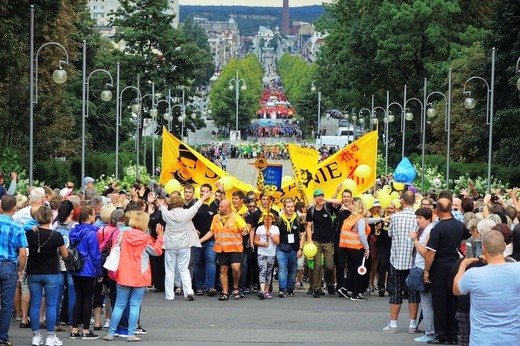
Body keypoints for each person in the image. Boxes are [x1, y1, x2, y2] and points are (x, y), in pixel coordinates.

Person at [103, 211, 164, 342]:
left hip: (124, 273)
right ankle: (131, 333)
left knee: (119, 304)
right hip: (140, 275)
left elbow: (115, 249)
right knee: (135, 305)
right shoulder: (146, 238)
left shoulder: (123, 234)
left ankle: (111, 332)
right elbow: (156, 251)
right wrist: (160, 237)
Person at [453, 230, 520, 345]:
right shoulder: (517, 269)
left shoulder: (474, 274)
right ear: (504, 246)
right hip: (512, 339)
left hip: (482, 339)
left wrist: (463, 264)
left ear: (483, 249)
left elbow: (457, 290)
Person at [424, 198, 470, 345]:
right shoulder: (459, 225)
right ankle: (453, 332)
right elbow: (466, 238)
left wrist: (426, 270)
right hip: (455, 266)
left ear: (437, 210)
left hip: (439, 267)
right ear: (451, 208)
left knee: (440, 301)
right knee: (453, 300)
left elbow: (430, 253)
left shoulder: (437, 229)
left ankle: (442, 335)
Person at [158, 189, 212, 301]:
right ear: (182, 204)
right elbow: (196, 206)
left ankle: (169, 295)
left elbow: (162, 209)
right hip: (184, 245)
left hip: (170, 245)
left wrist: (162, 205)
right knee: (184, 269)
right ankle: (188, 292)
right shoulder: (187, 213)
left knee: (170, 271)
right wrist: (203, 197)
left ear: (171, 205)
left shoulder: (167, 215)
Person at [26, 205, 68, 346]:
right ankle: (50, 336)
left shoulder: (29, 233)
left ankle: (36, 336)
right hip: (51, 272)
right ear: (50, 217)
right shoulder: (56, 235)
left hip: (33, 271)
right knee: (51, 304)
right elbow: (65, 255)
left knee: (35, 304)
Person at [383, 190, 419, 334]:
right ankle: (412, 324)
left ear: (402, 201)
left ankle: (393, 324)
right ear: (414, 201)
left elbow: (390, 234)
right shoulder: (417, 218)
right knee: (413, 293)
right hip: (413, 260)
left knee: (395, 292)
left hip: (397, 259)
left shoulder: (395, 217)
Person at [199, 199, 249, 301]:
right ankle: (225, 293)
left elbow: (245, 226)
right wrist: (200, 240)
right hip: (221, 248)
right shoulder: (216, 217)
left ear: (227, 208)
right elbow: (212, 231)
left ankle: (235, 286)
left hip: (235, 248)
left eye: (221, 206)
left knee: (236, 268)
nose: (219, 208)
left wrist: (245, 230)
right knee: (223, 269)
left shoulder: (235, 217)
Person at [69, 205, 103, 340]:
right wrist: (100, 273)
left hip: (76, 268)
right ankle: (86, 329)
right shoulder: (92, 233)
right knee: (88, 299)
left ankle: (75, 328)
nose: (95, 216)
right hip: (88, 269)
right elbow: (96, 255)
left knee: (79, 298)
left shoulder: (74, 231)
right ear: (89, 216)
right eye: (94, 214)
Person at [0, 195, 28, 346]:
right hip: (8, 265)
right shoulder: (18, 227)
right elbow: (23, 253)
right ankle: (2, 336)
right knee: (6, 303)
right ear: (14, 209)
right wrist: (20, 270)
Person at [409, 207, 435, 342]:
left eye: (420, 218)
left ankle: (430, 331)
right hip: (422, 268)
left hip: (423, 268)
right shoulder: (425, 230)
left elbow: (425, 253)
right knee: (427, 303)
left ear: (428, 219)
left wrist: (415, 240)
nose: (417, 221)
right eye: (417, 218)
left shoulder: (430, 231)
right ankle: (430, 330)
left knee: (427, 304)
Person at [306, 189, 338, 298]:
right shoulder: (311, 210)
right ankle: (316, 288)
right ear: (314, 198)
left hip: (329, 241)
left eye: (321, 196)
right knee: (317, 265)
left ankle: (330, 284)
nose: (319, 198)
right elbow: (309, 226)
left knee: (329, 266)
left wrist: (336, 191)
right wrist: (310, 239)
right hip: (317, 241)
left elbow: (338, 201)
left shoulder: (328, 207)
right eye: (317, 196)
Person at [338, 198, 370, 301]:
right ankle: (355, 294)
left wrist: (382, 219)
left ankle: (344, 287)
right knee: (360, 270)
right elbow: (361, 234)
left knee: (352, 269)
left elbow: (368, 220)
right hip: (356, 247)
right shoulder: (360, 219)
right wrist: (367, 248)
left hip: (347, 247)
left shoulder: (351, 218)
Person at [192, 184, 219, 296]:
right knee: (198, 263)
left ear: (211, 192)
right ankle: (199, 287)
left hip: (210, 239)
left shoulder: (215, 205)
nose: (204, 193)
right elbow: (188, 219)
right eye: (202, 191)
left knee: (211, 263)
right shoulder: (196, 204)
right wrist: (193, 230)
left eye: (206, 191)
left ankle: (210, 287)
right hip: (196, 239)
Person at [276, 198, 305, 298]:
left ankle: (290, 288)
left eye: (292, 207)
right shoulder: (279, 219)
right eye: (288, 207)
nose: (290, 209)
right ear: (284, 208)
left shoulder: (297, 219)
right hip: (281, 248)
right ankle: (282, 289)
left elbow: (302, 235)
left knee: (292, 269)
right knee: (282, 268)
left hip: (294, 248)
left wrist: (300, 249)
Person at [254, 213, 280, 299]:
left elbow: (277, 242)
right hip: (262, 253)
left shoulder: (275, 229)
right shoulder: (260, 228)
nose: (267, 221)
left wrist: (271, 235)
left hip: (271, 253)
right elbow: (255, 241)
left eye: (269, 219)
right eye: (265, 219)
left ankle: (267, 290)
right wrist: (262, 244)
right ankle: (262, 290)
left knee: (269, 271)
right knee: (263, 270)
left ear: (272, 220)